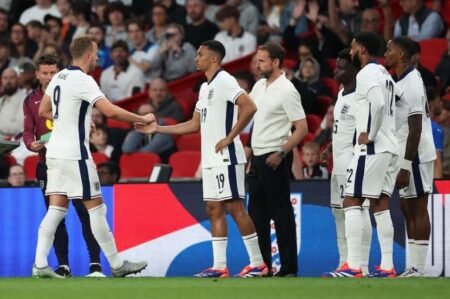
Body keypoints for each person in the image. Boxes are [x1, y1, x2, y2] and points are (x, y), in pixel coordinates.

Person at [135, 40, 268, 278]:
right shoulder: (205, 88)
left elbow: (249, 107)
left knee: (236, 207)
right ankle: (219, 267)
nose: (196, 58)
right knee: (213, 208)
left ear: (214, 59)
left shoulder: (225, 80)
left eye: (200, 54)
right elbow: (194, 125)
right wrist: (158, 129)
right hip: (210, 159)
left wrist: (230, 137)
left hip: (227, 156)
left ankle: (258, 263)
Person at [32, 35, 151, 278]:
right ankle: (117, 265)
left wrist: (75, 119)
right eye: (96, 54)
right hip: (75, 155)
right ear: (87, 55)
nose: (98, 58)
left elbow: (44, 110)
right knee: (97, 209)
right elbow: (109, 110)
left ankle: (40, 265)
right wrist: (142, 118)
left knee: (56, 209)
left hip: (54, 152)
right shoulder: (83, 79)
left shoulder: (59, 77)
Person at [23, 54, 106, 277]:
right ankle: (63, 265)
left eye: (53, 72)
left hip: (72, 158)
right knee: (57, 215)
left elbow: (85, 115)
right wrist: (31, 144)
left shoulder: (70, 89)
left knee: (84, 213)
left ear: (59, 72)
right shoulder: (31, 100)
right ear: (38, 74)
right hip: (47, 163)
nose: (49, 77)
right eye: (45, 73)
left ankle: (95, 264)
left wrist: (88, 122)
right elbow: (28, 129)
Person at [330, 32, 400, 278]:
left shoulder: (366, 73)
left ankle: (353, 265)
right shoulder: (385, 74)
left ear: (361, 49)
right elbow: (393, 107)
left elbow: (378, 104)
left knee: (351, 201)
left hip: (373, 147)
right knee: (380, 204)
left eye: (352, 47)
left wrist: (370, 133)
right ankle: (388, 265)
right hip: (390, 146)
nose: (350, 52)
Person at [247, 42, 308, 277]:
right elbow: (249, 115)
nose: (257, 64)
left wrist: (282, 152)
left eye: (262, 60)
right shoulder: (259, 85)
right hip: (258, 156)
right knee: (257, 213)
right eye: (257, 60)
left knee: (281, 212)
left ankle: (289, 268)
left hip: (275, 155)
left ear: (275, 62)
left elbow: (301, 128)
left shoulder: (287, 89)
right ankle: (264, 267)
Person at [384, 36, 436, 277]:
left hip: (415, 153)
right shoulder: (399, 80)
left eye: (390, 50)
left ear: (402, 55)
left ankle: (419, 267)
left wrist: (405, 165)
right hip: (405, 152)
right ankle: (414, 266)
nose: (386, 53)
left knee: (417, 207)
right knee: (407, 206)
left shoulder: (413, 82)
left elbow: (415, 127)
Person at [321, 49, 372, 277]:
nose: (336, 70)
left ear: (353, 70)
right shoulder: (341, 94)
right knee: (339, 213)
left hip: (354, 164)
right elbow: (344, 129)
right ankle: (344, 263)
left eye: (341, 67)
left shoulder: (361, 97)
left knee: (359, 211)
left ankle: (361, 265)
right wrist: (330, 148)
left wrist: (356, 161)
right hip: (338, 166)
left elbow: (364, 134)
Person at [0, 68, 27, 139]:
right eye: (5, 78)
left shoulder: (25, 99)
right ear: (1, 81)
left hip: (15, 145)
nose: (8, 81)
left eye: (11, 78)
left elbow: (20, 126)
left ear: (18, 80)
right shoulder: (1, 100)